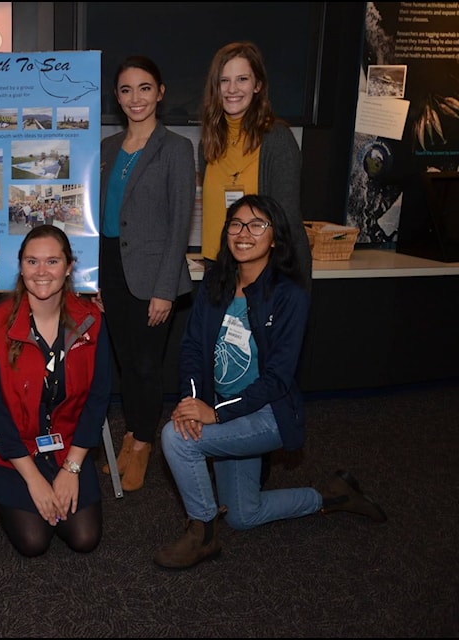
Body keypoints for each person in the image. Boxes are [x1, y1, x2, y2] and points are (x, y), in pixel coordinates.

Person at [153, 195, 386, 571]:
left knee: (175, 440)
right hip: (224, 409)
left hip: (268, 415)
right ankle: (332, 496)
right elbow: (193, 347)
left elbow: (279, 378)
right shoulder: (217, 280)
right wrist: (193, 403)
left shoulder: (289, 295)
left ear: (275, 237)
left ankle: (203, 535)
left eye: (256, 225)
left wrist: (214, 413)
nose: (244, 233)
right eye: (236, 224)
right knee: (244, 515)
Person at [0, 225, 112, 557]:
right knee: (33, 542)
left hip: (67, 445)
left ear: (69, 267)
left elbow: (97, 398)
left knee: (84, 538)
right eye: (32, 262)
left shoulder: (91, 320)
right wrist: (34, 479)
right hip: (14, 451)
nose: (42, 272)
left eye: (52, 261)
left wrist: (72, 468)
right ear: (20, 267)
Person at [97, 55, 196, 492]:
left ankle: (141, 445)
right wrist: (94, 280)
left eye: (143, 88)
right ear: (116, 98)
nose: (135, 98)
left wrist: (165, 291)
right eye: (125, 90)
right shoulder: (106, 147)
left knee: (145, 365)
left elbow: (179, 225)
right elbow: (94, 216)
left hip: (153, 275)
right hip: (112, 269)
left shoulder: (175, 148)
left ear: (160, 92)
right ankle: (132, 434)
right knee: (125, 361)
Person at [198, 41, 312, 284]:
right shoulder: (209, 142)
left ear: (258, 85)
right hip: (218, 272)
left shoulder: (277, 140)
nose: (232, 89)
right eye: (224, 80)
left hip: (264, 275)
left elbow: (287, 223)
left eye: (242, 79)